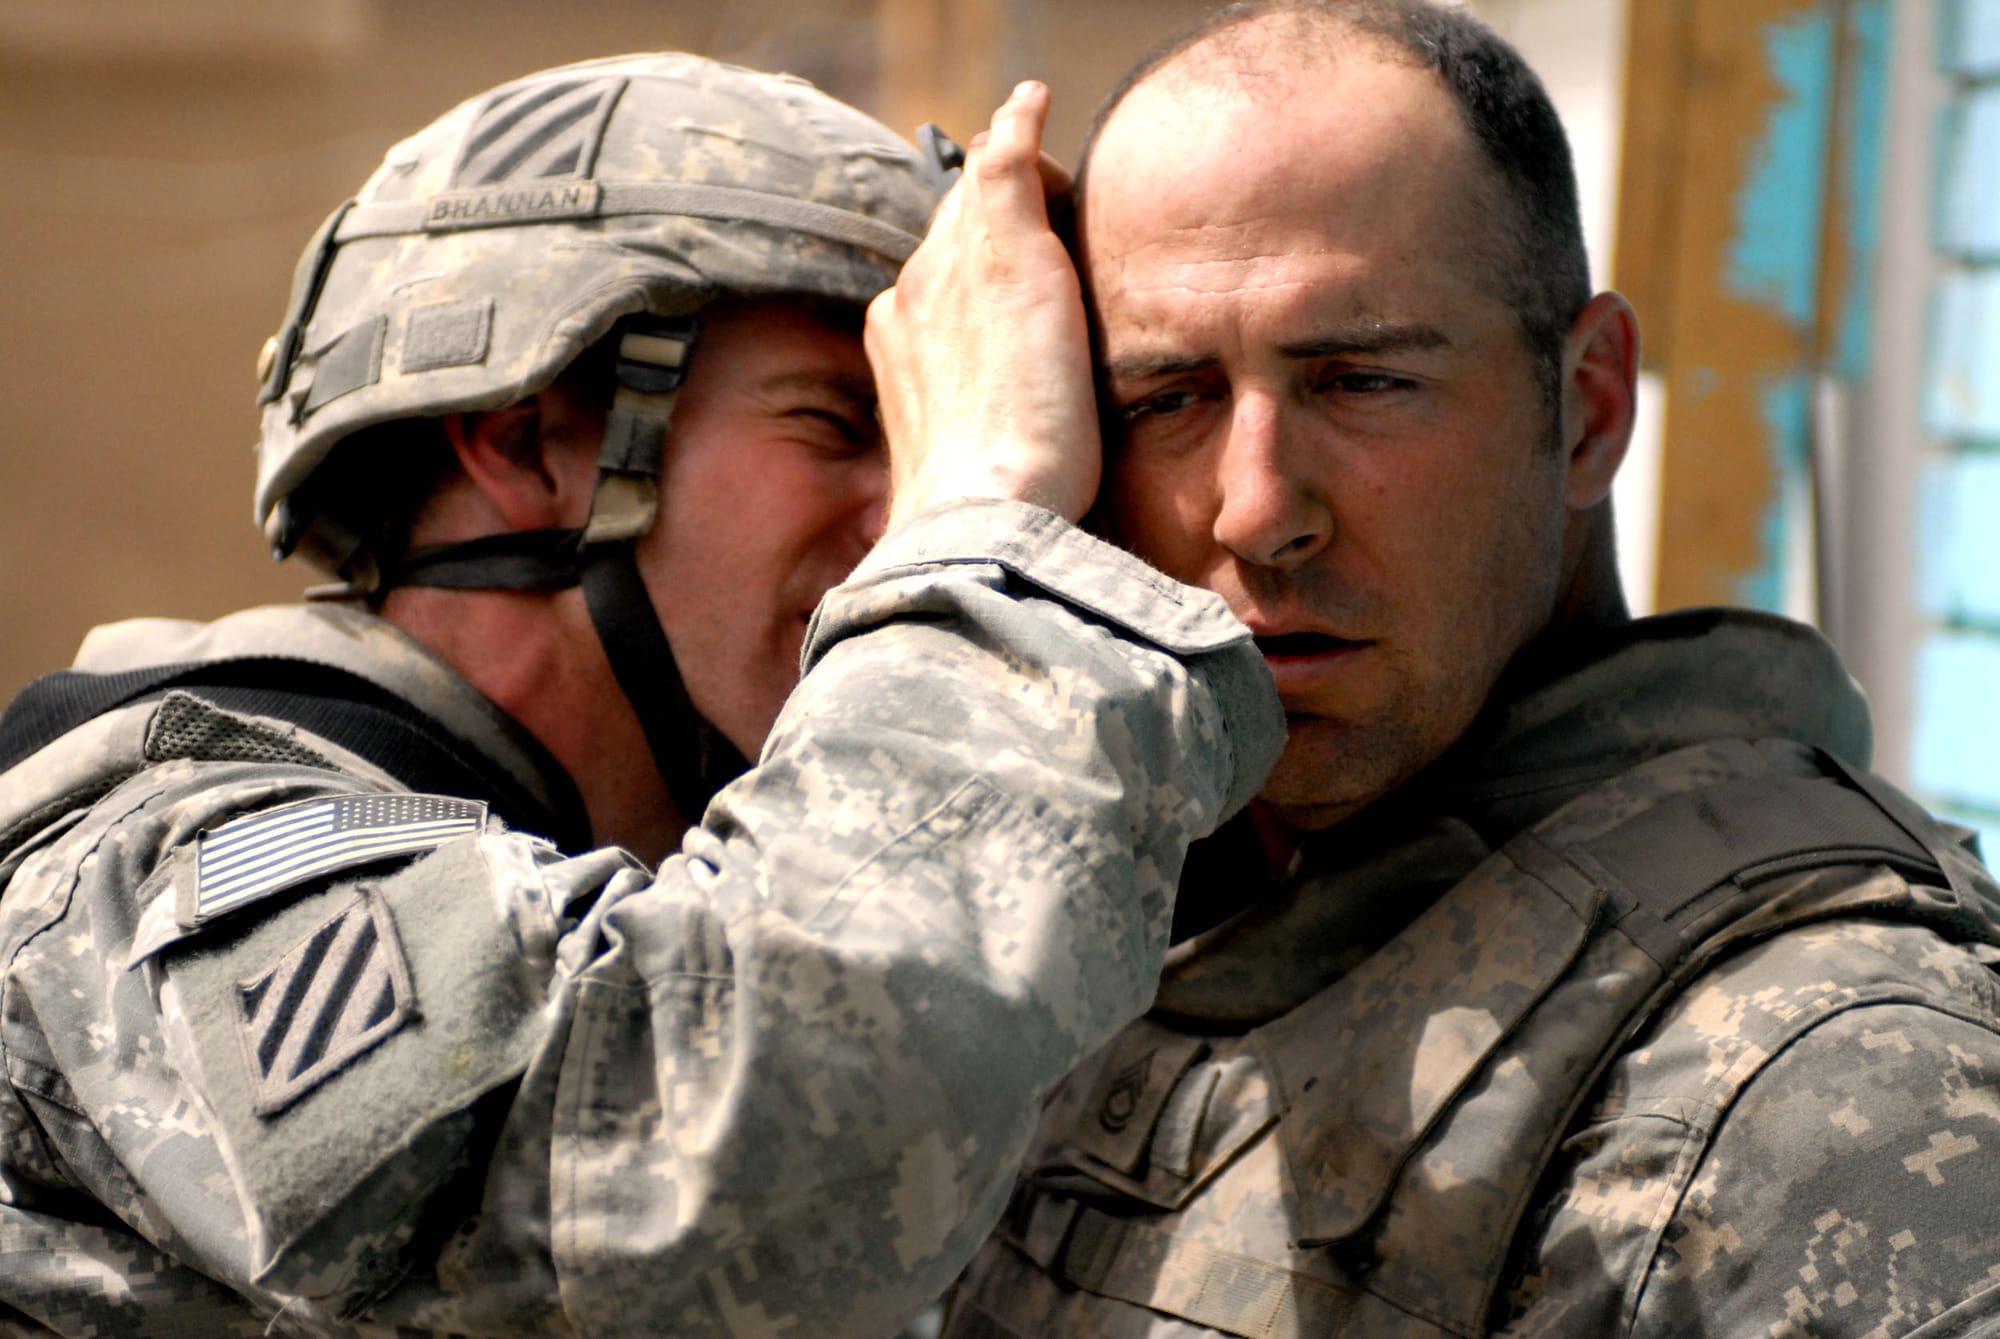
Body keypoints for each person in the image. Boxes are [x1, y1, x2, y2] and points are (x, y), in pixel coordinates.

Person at [0, 56, 1285, 1337]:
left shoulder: (669, 881)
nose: (908, 508)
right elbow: (671, 1208)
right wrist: (985, 513)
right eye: (843, 423)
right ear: (527, 445)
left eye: (935, 432)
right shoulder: (165, 860)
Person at [894, 3, 2000, 1334]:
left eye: (1360, 381)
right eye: (1168, 398)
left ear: (1586, 405)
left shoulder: (1841, 1083)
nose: (1256, 510)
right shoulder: (1100, 911)